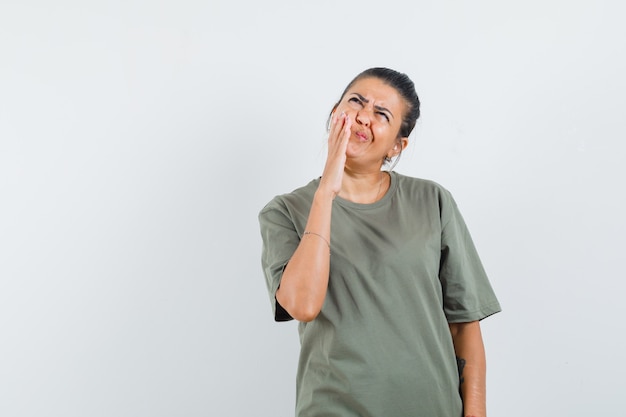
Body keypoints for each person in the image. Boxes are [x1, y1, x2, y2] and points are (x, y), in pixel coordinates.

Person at [258, 67, 501, 417]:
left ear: (397, 146)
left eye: (381, 114)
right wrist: (327, 190)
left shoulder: (431, 201)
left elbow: (464, 323)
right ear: (333, 114)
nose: (363, 116)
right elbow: (302, 305)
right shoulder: (285, 211)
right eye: (356, 101)